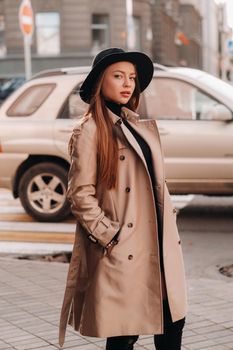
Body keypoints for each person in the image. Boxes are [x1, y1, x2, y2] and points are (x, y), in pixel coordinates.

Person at [59, 47, 187, 350]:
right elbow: (79, 194)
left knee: (173, 323)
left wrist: (170, 216)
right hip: (125, 248)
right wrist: (109, 235)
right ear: (100, 82)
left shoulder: (136, 124)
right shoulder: (90, 130)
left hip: (158, 244)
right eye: (118, 76)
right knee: (125, 334)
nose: (128, 83)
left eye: (132, 77)